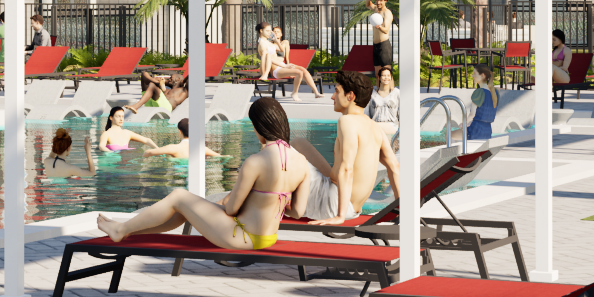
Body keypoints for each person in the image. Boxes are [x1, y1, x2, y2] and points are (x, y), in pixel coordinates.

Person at [95, 97, 311, 249]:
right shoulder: (301, 162)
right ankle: (124, 230)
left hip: (240, 237)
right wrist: (271, 199)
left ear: (258, 126)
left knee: (179, 196)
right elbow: (298, 212)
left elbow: (232, 208)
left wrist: (222, 204)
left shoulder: (256, 161)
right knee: (184, 207)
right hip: (268, 237)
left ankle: (121, 229)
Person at [287, 70, 402, 224]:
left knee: (284, 154)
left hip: (334, 204)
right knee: (298, 143)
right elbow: (394, 167)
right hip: (353, 207)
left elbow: (347, 168)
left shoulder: (347, 122)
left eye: (336, 91)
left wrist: (339, 216)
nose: (332, 97)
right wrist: (401, 208)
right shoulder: (375, 127)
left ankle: (276, 202)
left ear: (350, 96)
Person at [256, 22, 321, 99]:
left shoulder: (268, 42)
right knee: (299, 73)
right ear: (261, 31)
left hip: (281, 65)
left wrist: (276, 41)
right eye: (267, 31)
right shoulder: (262, 44)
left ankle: (316, 92)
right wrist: (285, 65)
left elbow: (281, 50)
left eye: (270, 31)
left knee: (303, 70)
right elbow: (269, 59)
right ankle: (294, 93)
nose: (270, 33)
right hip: (275, 70)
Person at [466, 63, 501, 143]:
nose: (472, 76)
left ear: (482, 75)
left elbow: (472, 114)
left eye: (474, 74)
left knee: (449, 135)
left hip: (476, 129)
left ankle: (453, 155)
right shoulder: (495, 93)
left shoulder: (479, 92)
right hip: (488, 130)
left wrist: (464, 124)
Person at [367, 65, 401, 135]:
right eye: (383, 75)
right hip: (375, 126)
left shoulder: (396, 93)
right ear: (379, 77)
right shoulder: (371, 94)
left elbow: (401, 114)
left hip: (391, 126)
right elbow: (366, 115)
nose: (386, 78)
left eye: (388, 75)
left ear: (391, 78)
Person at [366, 0, 395, 69]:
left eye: (380, 0)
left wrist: (379, 27)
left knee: (386, 73)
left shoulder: (387, 13)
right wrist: (369, 0)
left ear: (385, 0)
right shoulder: (376, 9)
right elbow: (368, 5)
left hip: (384, 46)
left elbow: (386, 30)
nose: (378, 3)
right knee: (377, 74)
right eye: (376, 0)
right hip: (376, 46)